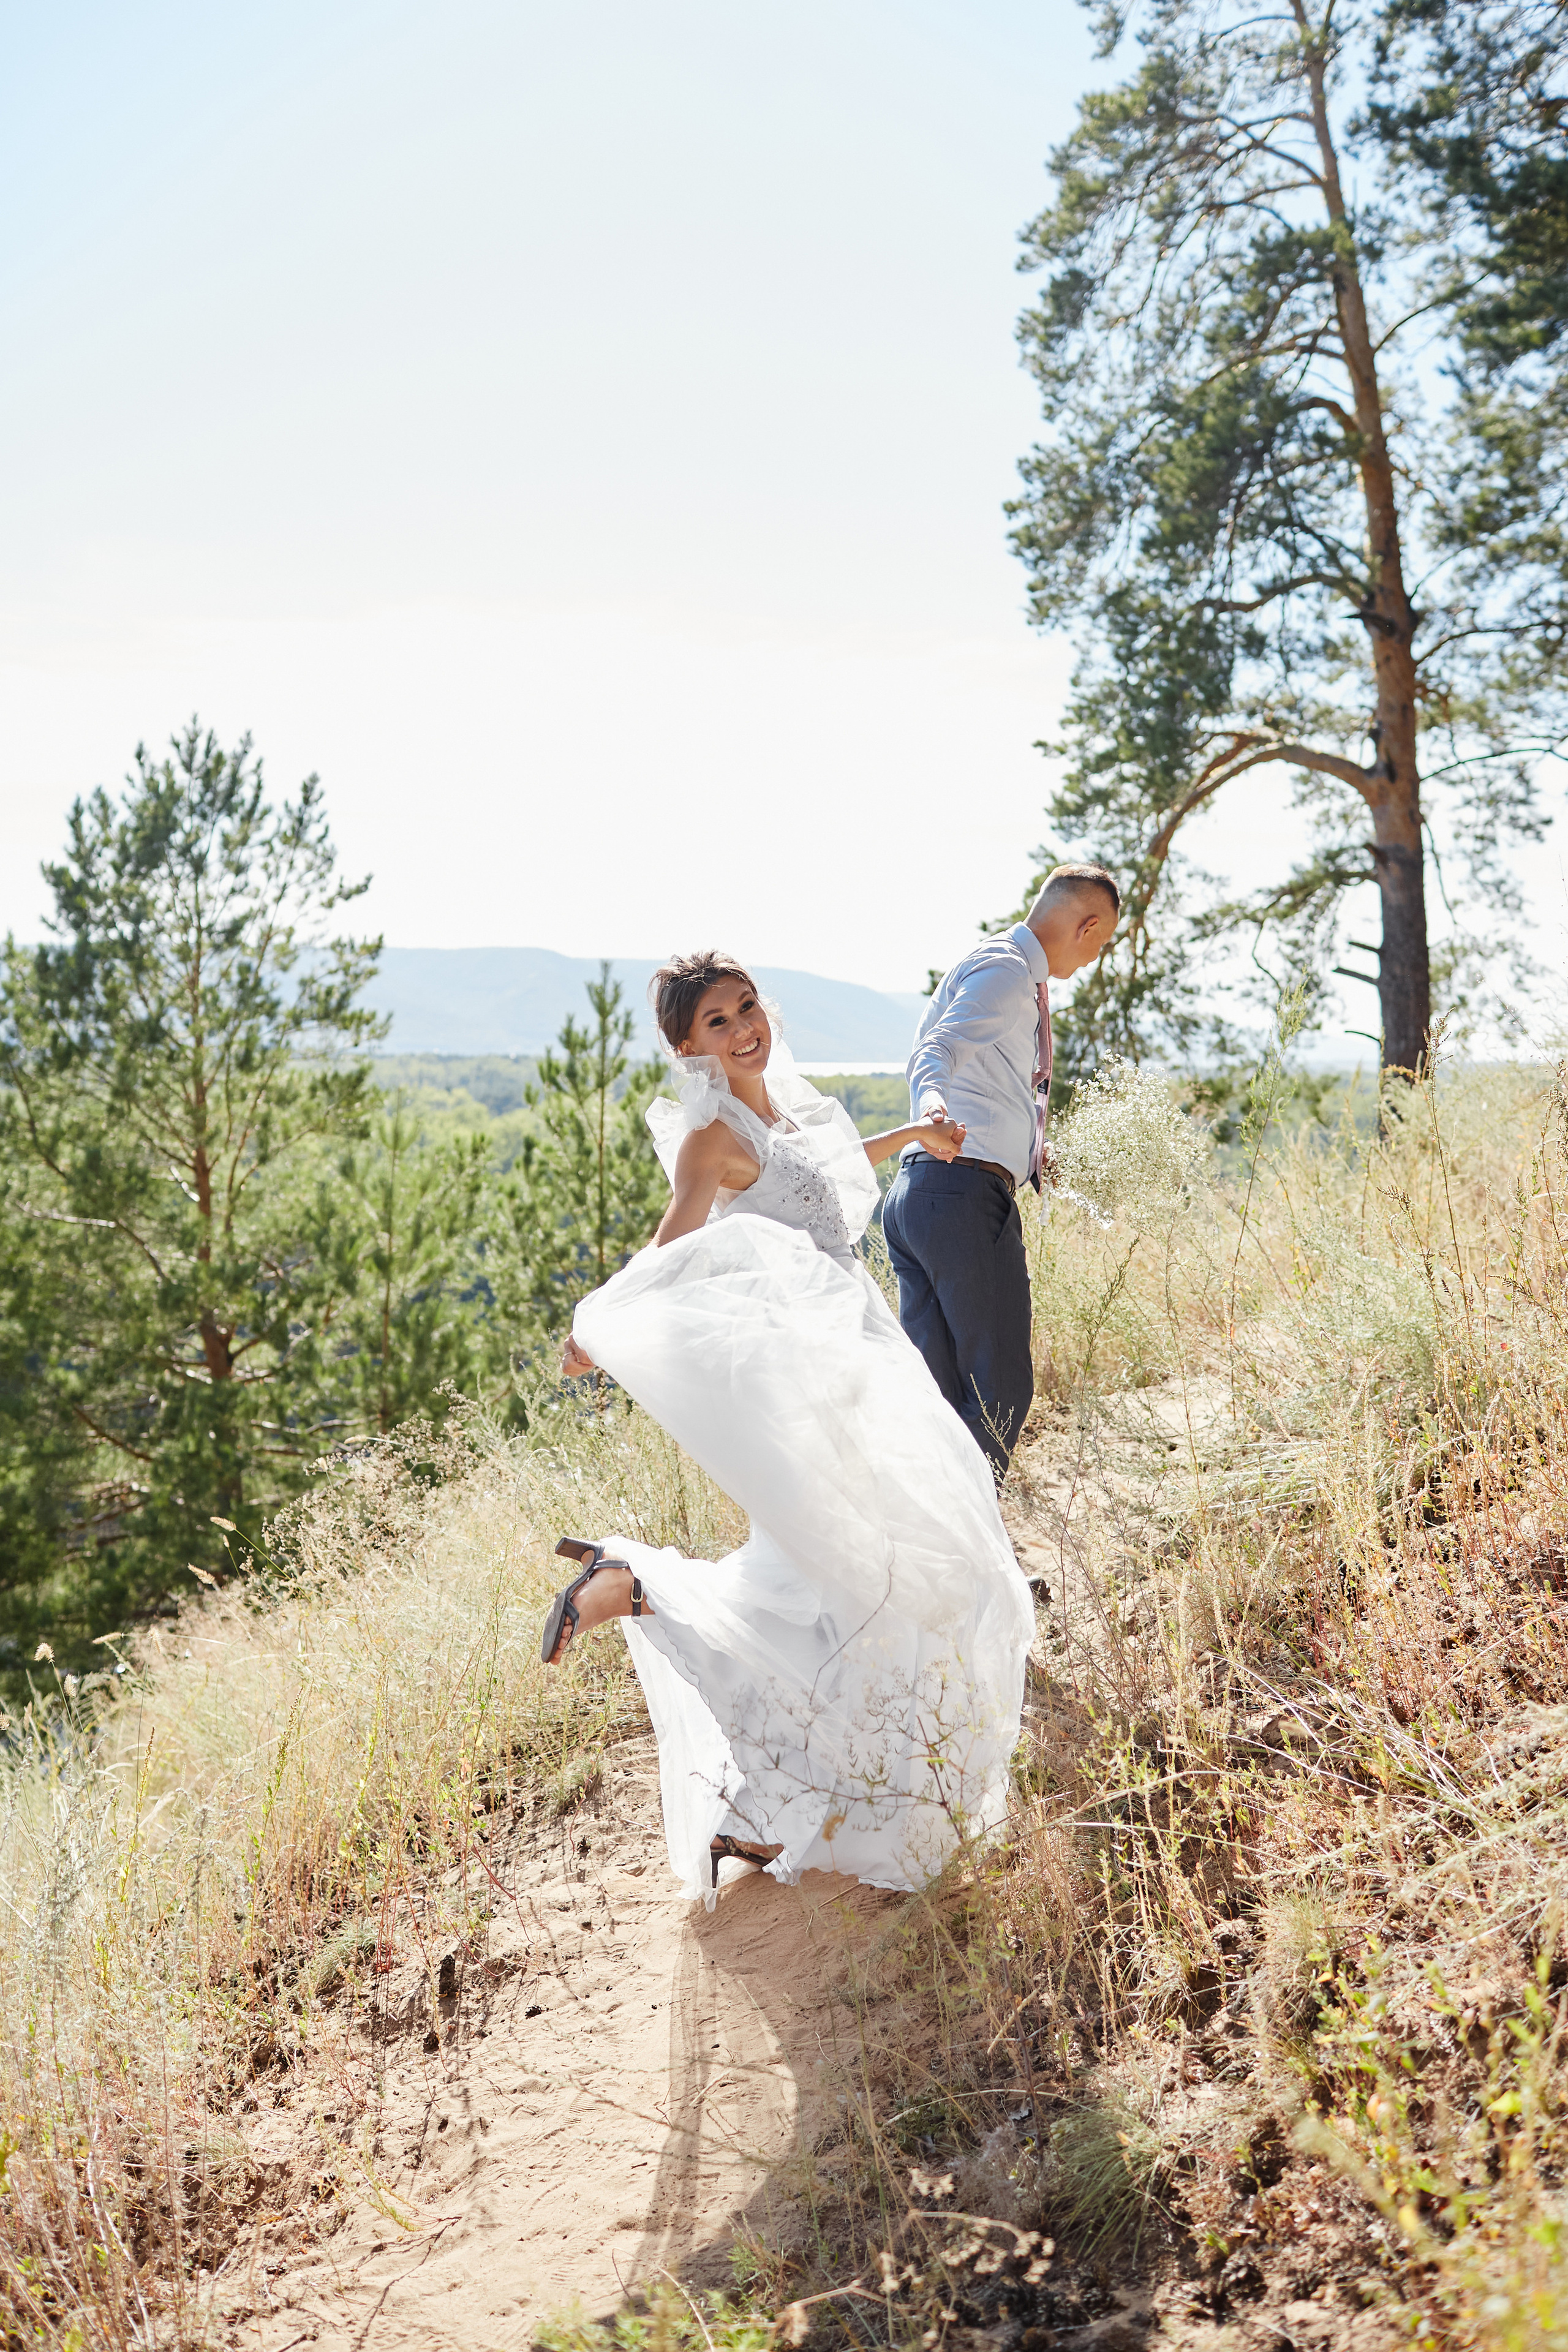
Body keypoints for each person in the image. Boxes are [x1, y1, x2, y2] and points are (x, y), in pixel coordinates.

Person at [540, 951, 1035, 1906]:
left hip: (855, 1360)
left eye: (747, 1007)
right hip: (808, 1380)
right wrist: (598, 1329)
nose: (743, 1029)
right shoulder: (710, 1138)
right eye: (717, 1023)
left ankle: (770, 1809)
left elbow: (823, 1176)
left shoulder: (777, 1116)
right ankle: (639, 1586)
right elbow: (671, 1245)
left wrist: (916, 1135)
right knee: (862, 1578)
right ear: (689, 1049)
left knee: (832, 1587)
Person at [881, 865, 1120, 1479]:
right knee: (1000, 1390)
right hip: (960, 1196)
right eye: (1102, 943)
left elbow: (989, 1084)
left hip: (921, 1197)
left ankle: (930, 1526)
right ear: (1089, 926)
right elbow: (936, 1050)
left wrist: (1033, 1152)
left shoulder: (1000, 967)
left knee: (938, 1398)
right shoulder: (1009, 973)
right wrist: (933, 1108)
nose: (1095, 957)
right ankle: (970, 1530)